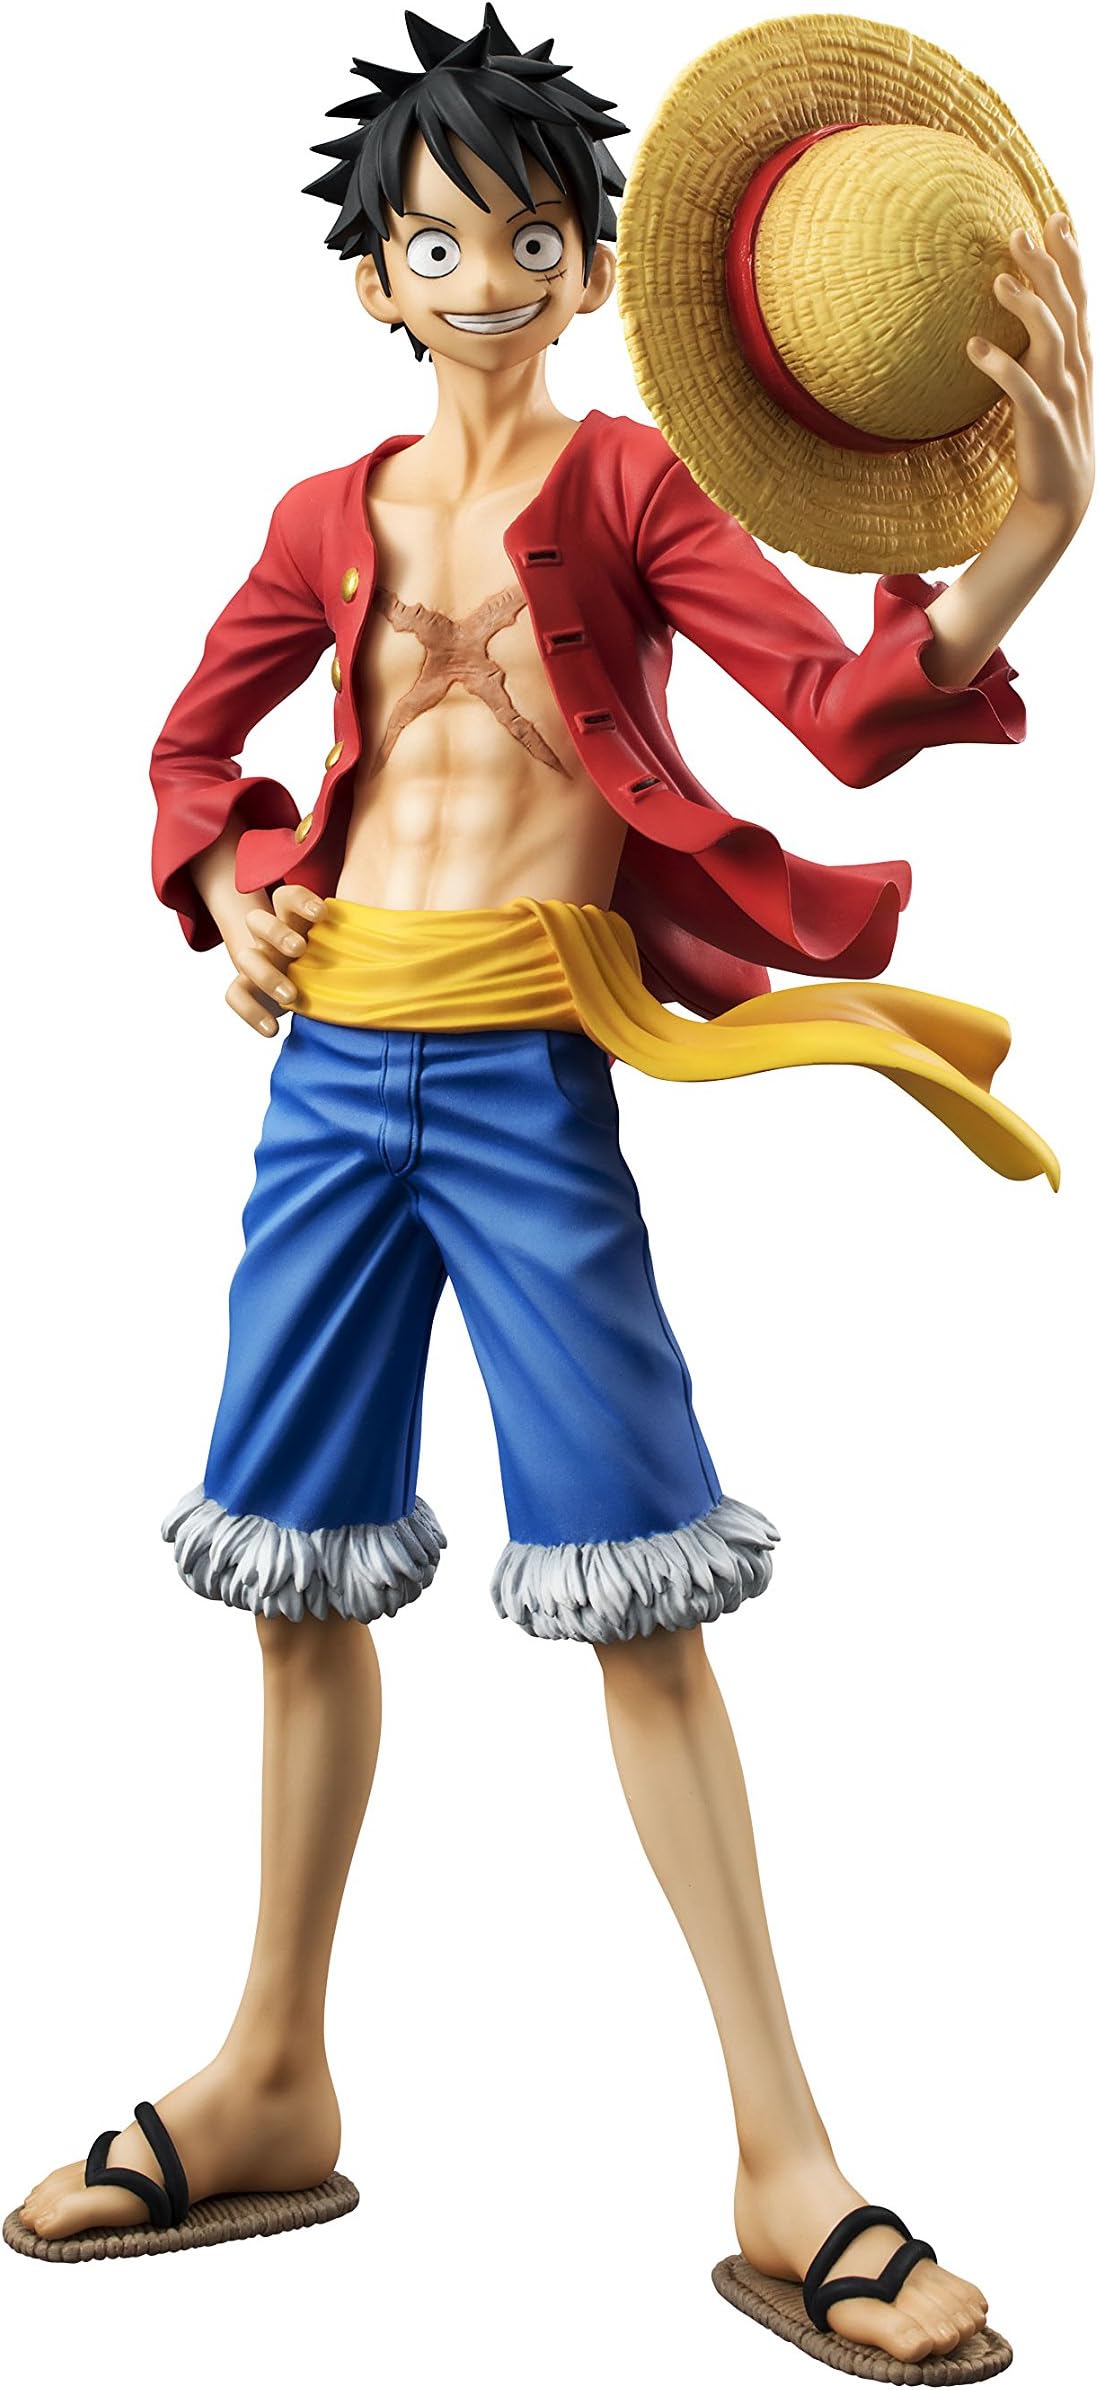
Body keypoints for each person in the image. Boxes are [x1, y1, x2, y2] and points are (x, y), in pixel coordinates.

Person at [12, 10, 1091, 2372]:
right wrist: (239, 885)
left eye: (523, 236)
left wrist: (1024, 540)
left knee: (641, 1588)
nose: (482, 276)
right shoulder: (326, 516)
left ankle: (785, 2156)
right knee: (294, 1574)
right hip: (329, 1085)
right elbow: (189, 745)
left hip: (526, 1074)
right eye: (435, 243)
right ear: (373, 280)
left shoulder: (632, 492)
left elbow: (839, 712)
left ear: (588, 265)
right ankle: (274, 2064)